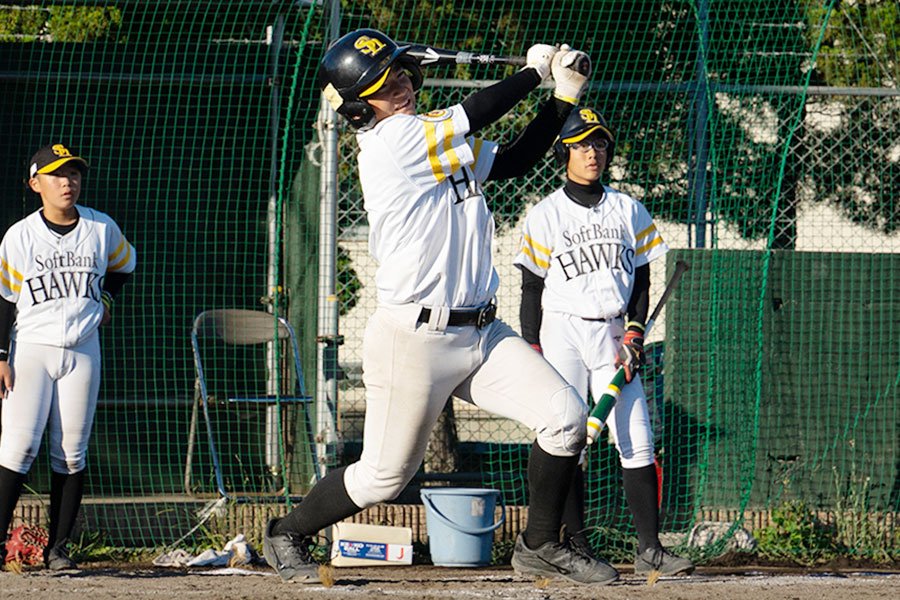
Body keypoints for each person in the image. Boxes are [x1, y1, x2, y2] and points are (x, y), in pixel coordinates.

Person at [262, 28, 619, 586]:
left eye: (401, 76)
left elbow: (518, 159)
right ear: (360, 109)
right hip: (414, 339)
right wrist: (533, 74)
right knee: (383, 478)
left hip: (482, 333)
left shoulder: (429, 136)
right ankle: (286, 532)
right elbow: (477, 110)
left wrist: (564, 96)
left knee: (567, 419)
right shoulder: (391, 142)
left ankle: (540, 544)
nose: (402, 87)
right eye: (385, 87)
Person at [513, 107, 694, 576]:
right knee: (568, 439)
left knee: (638, 439)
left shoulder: (628, 209)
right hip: (563, 330)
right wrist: (532, 349)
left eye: (599, 143)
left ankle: (650, 550)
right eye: (581, 144)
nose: (592, 152)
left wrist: (636, 330)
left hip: (614, 333)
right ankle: (576, 547)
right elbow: (531, 288)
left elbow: (642, 280)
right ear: (564, 153)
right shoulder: (546, 213)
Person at [0, 143, 136, 570]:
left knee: (72, 452)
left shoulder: (100, 227)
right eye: (57, 174)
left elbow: (124, 266)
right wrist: (0, 354)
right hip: (31, 349)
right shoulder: (21, 235)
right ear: (35, 183)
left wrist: (106, 300)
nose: (67, 182)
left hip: (82, 350)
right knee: (18, 448)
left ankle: (58, 549)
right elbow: (4, 298)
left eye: (74, 173)